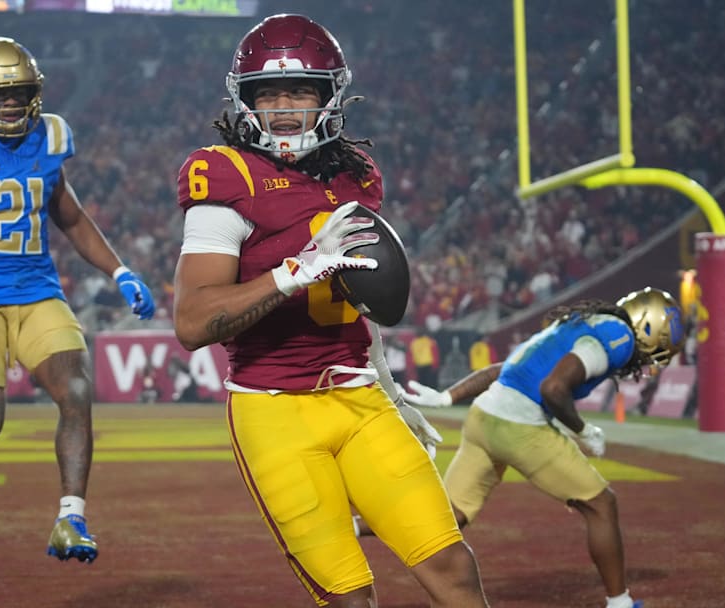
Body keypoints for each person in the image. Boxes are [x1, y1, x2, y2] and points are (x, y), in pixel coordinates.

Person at [171, 14, 489, 607]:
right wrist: (294, 272)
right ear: (244, 101)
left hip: (361, 399)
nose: (284, 107)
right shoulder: (224, 172)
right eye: (267, 93)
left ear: (330, 97)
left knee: (451, 565)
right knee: (350, 598)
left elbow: (357, 305)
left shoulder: (357, 175)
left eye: (300, 91)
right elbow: (193, 322)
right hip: (276, 413)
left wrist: (389, 388)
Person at [0, 37, 156, 564]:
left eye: (20, 92)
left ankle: (71, 517)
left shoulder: (49, 138)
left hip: (39, 289)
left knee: (75, 388)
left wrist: (120, 269)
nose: (12, 103)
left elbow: (69, 215)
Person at [400, 287, 686, 608]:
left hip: (482, 416)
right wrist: (583, 430)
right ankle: (619, 603)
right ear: (650, 330)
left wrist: (448, 396)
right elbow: (553, 388)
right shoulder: (618, 335)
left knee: (448, 516)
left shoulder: (582, 322)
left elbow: (507, 369)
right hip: (517, 425)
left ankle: (356, 526)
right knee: (601, 504)